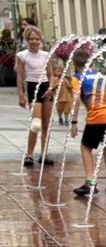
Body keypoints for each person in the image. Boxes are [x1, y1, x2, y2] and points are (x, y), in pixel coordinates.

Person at [67, 47, 106, 198]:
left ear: (74, 64)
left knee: (85, 147)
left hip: (97, 117)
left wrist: (73, 122)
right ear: (90, 63)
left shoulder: (77, 78)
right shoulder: (105, 78)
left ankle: (90, 182)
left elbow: (76, 101)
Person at [16, 26, 53, 168]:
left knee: (46, 124)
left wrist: (51, 88)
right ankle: (29, 154)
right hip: (32, 87)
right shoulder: (22, 55)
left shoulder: (46, 55)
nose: (34, 41)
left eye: (37, 39)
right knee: (36, 124)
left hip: (45, 88)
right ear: (27, 40)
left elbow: (51, 75)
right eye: (31, 39)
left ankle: (44, 153)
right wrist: (21, 95)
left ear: (40, 40)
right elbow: (20, 75)